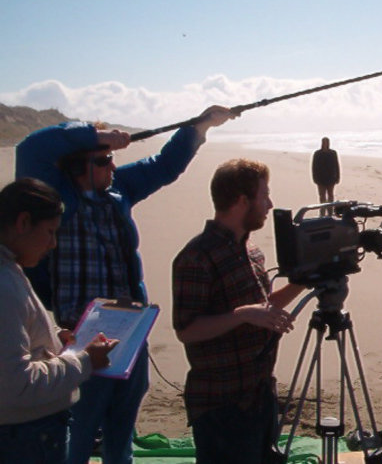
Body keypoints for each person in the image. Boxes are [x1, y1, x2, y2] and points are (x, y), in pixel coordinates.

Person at [14, 105, 233, 464]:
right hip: (80, 335)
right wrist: (96, 135)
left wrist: (199, 126)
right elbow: (31, 149)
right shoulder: (54, 196)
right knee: (80, 432)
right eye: (102, 160)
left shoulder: (119, 190)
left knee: (121, 434)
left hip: (130, 330)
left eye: (112, 159)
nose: (112, 166)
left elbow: (164, 165)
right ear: (77, 164)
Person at [172, 158, 304, 464]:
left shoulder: (251, 250)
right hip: (221, 404)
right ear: (242, 200)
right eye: (264, 195)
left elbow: (263, 307)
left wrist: (302, 283)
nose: (270, 204)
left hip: (260, 395)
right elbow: (186, 330)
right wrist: (241, 315)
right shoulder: (197, 257)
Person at [0, 178, 117, 464]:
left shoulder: (10, 267)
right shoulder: (3, 283)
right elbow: (17, 385)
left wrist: (54, 336)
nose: (53, 244)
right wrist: (86, 361)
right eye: (50, 232)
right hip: (26, 439)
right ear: (23, 222)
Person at [311, 137, 340, 216]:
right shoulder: (317, 153)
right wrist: (314, 178)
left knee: (330, 196)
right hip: (320, 179)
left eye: (327, 142)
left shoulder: (333, 153)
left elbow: (337, 165)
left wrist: (338, 177)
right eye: (324, 142)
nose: (325, 144)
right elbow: (314, 167)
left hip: (331, 178)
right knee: (322, 196)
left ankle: (330, 212)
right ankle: (322, 212)